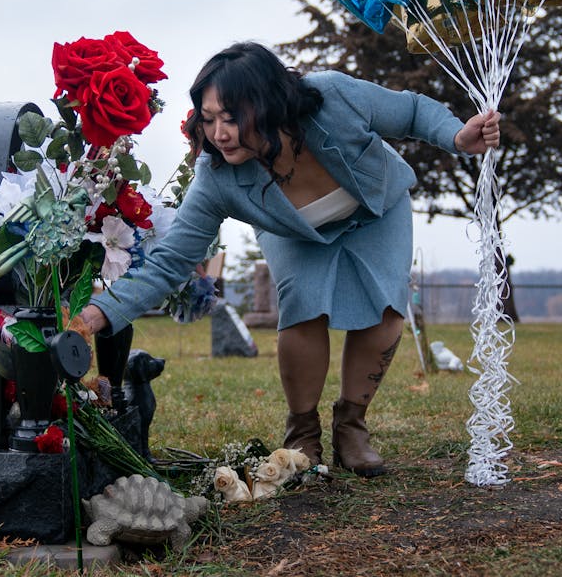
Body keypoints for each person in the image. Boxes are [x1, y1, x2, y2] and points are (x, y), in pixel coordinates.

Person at [71, 41, 500, 476]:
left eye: (232, 117)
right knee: (303, 307)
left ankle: (351, 426)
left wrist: (457, 136)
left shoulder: (334, 98)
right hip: (295, 231)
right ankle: (303, 432)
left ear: (268, 103)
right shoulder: (217, 176)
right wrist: (97, 314)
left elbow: (409, 111)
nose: (219, 133)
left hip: (376, 209)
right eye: (209, 119)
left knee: (387, 309)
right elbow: (170, 261)